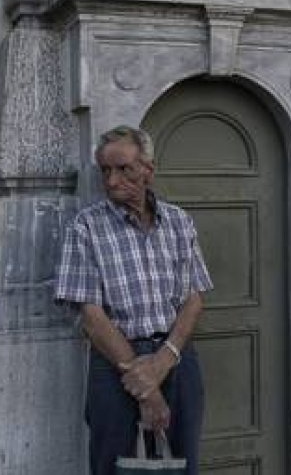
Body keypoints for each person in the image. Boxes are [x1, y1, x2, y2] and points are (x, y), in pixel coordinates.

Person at [54, 125, 214, 475]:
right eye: (105, 171)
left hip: (176, 359)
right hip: (115, 366)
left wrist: (164, 360)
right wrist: (147, 389)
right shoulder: (86, 227)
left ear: (147, 170)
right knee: (114, 465)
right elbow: (91, 316)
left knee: (183, 464)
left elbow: (194, 299)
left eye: (123, 169)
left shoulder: (178, 222)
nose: (112, 181)